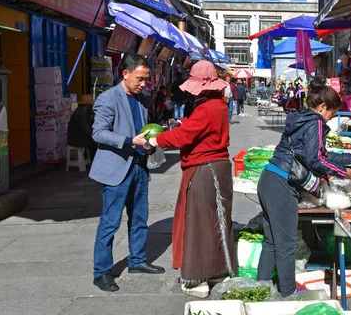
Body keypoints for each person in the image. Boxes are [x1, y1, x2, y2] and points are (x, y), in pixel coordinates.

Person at [256, 78, 351, 297]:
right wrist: (343, 172)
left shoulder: (300, 118)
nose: (331, 119)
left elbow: (317, 155)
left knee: (272, 241)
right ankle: (288, 293)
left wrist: (350, 157)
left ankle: (261, 289)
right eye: (331, 114)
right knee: (286, 244)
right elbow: (315, 160)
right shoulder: (314, 122)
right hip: (282, 184)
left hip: (268, 179)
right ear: (322, 107)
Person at [148, 61, 235, 297]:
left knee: (198, 225)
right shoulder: (217, 105)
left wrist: (157, 140)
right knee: (216, 222)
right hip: (215, 169)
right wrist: (182, 124)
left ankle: (198, 279)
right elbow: (195, 129)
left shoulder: (208, 108)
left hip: (205, 169)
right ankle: (218, 269)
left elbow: (185, 135)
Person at [90, 54, 164, 293]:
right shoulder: (107, 99)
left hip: (139, 167)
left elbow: (142, 132)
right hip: (116, 170)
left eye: (146, 79)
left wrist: (150, 143)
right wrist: (128, 141)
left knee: (140, 218)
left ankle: (137, 260)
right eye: (140, 79)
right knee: (110, 224)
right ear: (125, 74)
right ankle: (101, 272)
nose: (144, 84)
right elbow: (98, 133)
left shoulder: (142, 99)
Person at [67, 94, 98, 159]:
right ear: (88, 105)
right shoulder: (80, 114)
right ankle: (94, 162)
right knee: (96, 144)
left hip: (80, 136)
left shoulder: (84, 112)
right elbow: (86, 130)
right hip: (77, 139)